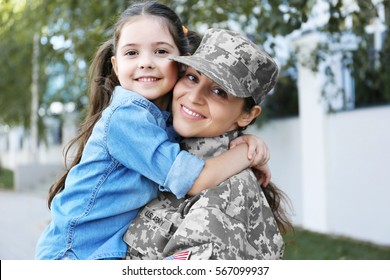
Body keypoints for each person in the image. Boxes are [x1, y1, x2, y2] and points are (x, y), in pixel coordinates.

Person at [35, 2, 271, 260]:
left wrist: (243, 138)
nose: (146, 63)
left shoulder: (163, 117)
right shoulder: (127, 117)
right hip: (76, 254)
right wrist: (247, 153)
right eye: (132, 53)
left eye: (160, 51)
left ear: (180, 63)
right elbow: (193, 180)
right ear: (115, 66)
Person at [123, 28, 293, 260]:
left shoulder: (228, 189)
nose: (194, 97)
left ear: (247, 116)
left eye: (218, 92)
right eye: (192, 77)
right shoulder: (155, 142)